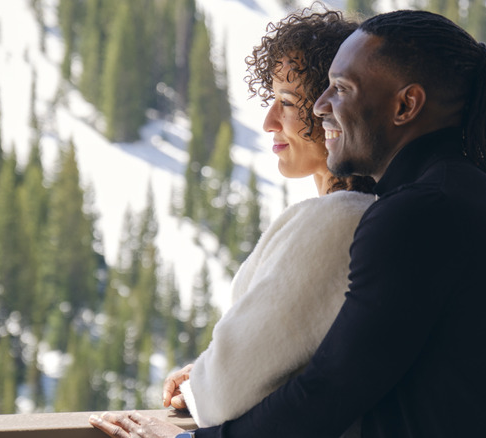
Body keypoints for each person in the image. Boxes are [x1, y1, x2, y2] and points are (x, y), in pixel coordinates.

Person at [90, 9, 486, 438]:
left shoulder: (417, 215)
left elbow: (332, 389)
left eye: (343, 89)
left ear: (405, 105)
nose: (320, 105)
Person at [89, 7, 375, 438]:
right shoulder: (375, 210)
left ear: (332, 110)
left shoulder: (338, 220)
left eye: (288, 103)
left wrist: (206, 387)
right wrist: (208, 378)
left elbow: (227, 394)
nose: (268, 122)